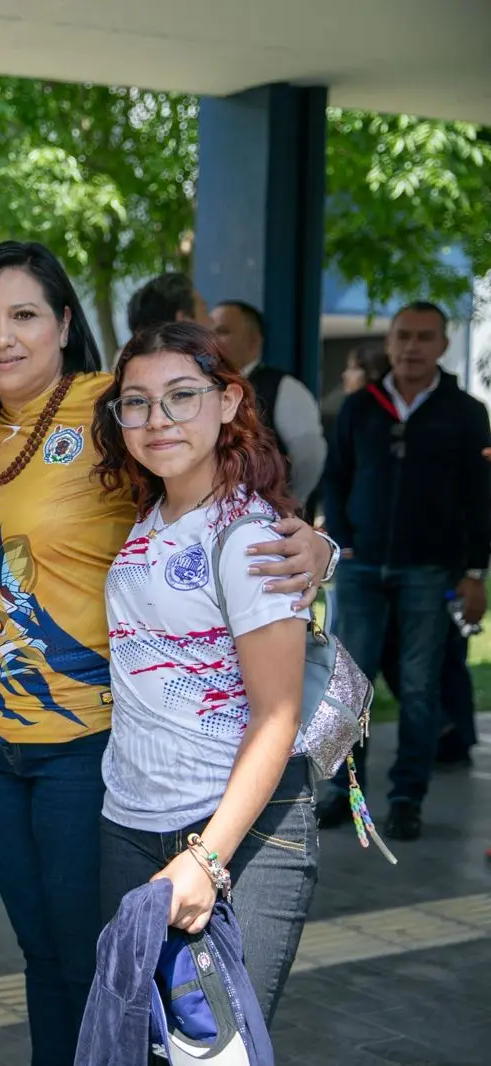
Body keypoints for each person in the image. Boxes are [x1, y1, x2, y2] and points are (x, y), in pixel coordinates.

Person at [0, 241, 335, 1066]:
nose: (1, 337)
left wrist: (320, 547)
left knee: (129, 990)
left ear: (65, 323)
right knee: (51, 962)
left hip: (91, 743)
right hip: (5, 742)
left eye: (23, 315)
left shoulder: (111, 407)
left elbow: (232, 505)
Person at [92, 321, 317, 1024]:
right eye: (137, 402)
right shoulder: (151, 514)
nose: (157, 420)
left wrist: (208, 860)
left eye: (181, 396)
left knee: (213, 1049)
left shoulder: (251, 536)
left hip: (236, 833)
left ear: (228, 402)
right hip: (130, 820)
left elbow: (276, 714)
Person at [318, 300, 490, 841]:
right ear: (389, 343)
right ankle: (342, 795)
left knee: (419, 688)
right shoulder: (359, 407)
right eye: (402, 337)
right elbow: (336, 479)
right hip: (361, 566)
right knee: (346, 687)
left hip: (429, 570)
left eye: (424, 337)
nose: (411, 347)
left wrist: (474, 573)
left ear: (442, 344)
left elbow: (480, 498)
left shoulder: (465, 412)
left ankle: (405, 797)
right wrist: (340, 544)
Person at [209, 300, 326, 509]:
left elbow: (310, 456)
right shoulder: (202, 387)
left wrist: (287, 501)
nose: (212, 340)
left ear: (253, 341)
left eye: (222, 331)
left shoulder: (284, 387)